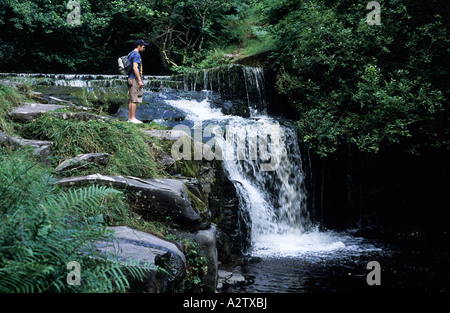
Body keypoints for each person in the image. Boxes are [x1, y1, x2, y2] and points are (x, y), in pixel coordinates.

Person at [127, 39, 149, 123]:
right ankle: (132, 118)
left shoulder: (131, 53)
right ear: (139, 46)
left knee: (132, 99)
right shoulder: (136, 55)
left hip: (130, 78)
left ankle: (130, 118)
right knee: (134, 99)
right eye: (143, 47)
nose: (144, 48)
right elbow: (135, 68)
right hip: (134, 79)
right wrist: (139, 80)